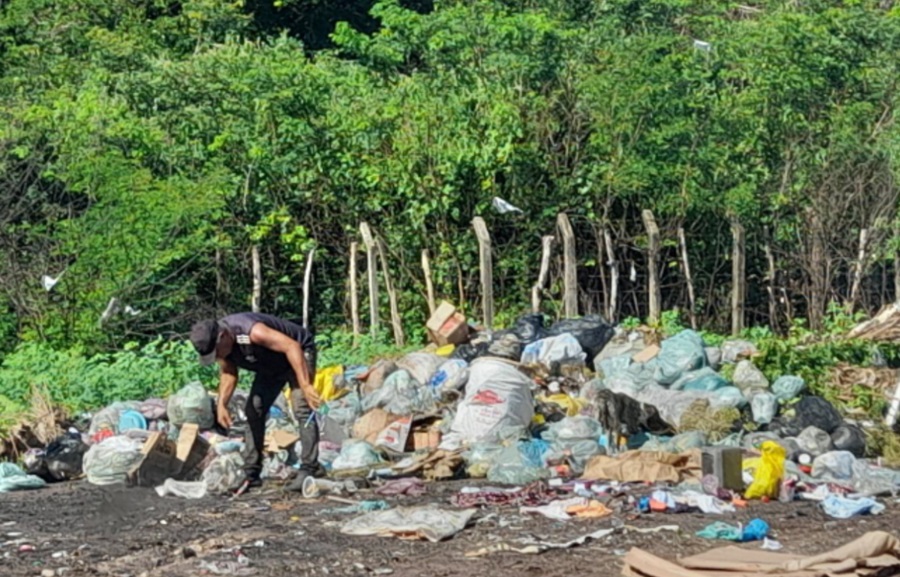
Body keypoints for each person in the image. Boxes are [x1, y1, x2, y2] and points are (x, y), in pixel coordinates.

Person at [189, 312, 326, 494]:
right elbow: (229, 372)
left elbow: (292, 347)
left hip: (297, 354)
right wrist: (222, 404)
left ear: (222, 337)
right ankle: (251, 473)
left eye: (216, 353)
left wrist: (306, 384)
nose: (217, 357)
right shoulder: (224, 347)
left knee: (301, 407)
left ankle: (310, 467)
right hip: (270, 365)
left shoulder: (253, 331)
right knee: (254, 410)